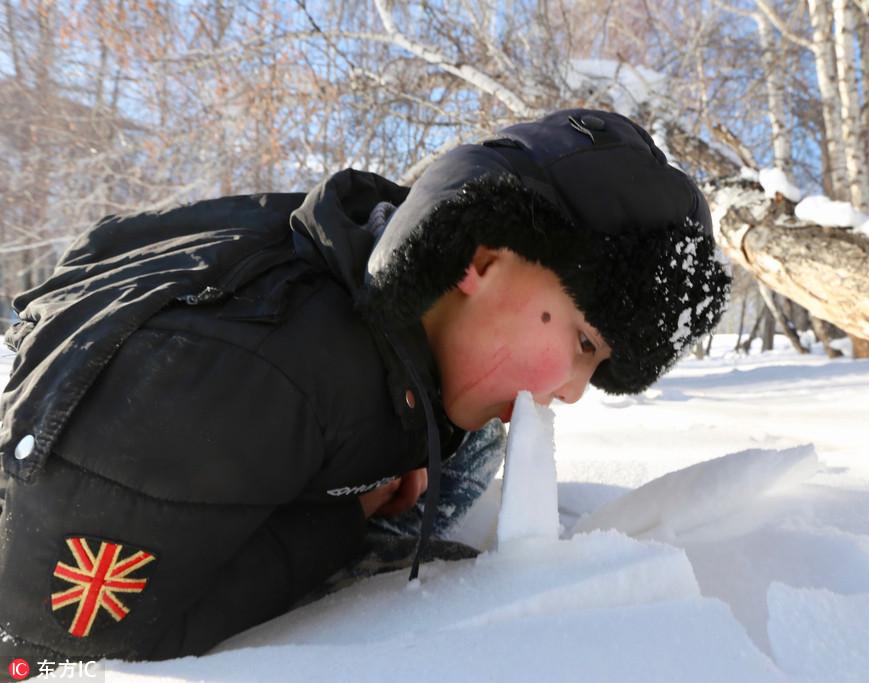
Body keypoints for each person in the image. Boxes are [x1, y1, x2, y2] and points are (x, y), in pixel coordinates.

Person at [0, 109, 730, 667]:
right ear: (482, 256)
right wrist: (341, 522)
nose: (571, 393)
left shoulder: (420, 345)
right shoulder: (257, 381)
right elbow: (56, 644)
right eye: (582, 343)